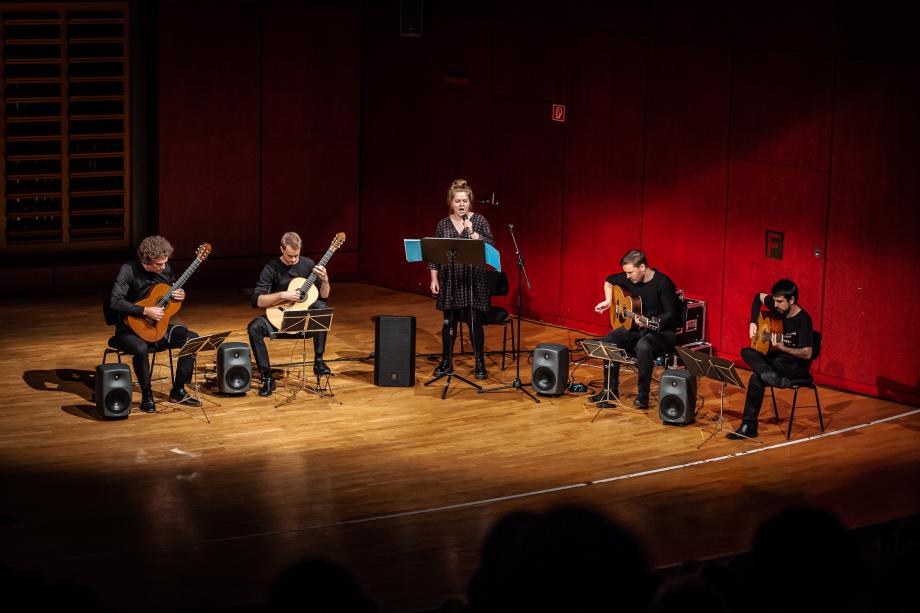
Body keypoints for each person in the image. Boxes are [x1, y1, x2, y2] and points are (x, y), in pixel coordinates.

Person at [108, 235, 201, 413]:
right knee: (141, 349)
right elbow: (114, 301)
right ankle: (147, 395)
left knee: (192, 338)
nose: (164, 267)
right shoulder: (128, 270)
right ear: (146, 261)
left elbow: (170, 294)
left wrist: (181, 295)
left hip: (159, 328)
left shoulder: (165, 270)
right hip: (130, 330)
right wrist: (144, 311)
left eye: (165, 262)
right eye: (159, 264)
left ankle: (179, 390)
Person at [593, 249, 679, 409]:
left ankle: (643, 396)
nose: (627, 277)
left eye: (630, 272)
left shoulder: (663, 283)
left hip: (661, 331)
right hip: (636, 328)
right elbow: (609, 280)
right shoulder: (630, 279)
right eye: (626, 273)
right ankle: (609, 390)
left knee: (643, 346)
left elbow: (671, 313)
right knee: (609, 341)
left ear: (642, 267)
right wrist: (608, 300)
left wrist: (652, 322)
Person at [728, 279, 814, 440]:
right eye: (774, 300)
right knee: (746, 351)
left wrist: (783, 348)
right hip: (774, 363)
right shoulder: (777, 307)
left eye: (780, 301)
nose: (775, 305)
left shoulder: (803, 320)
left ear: (792, 300)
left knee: (756, 377)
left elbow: (807, 353)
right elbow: (757, 297)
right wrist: (753, 322)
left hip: (793, 367)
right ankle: (769, 375)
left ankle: (748, 427)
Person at [248, 231, 331, 397]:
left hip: (302, 320)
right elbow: (256, 301)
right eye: (289, 255)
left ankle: (319, 361)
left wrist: (326, 280)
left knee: (322, 307)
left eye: (296, 255)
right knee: (254, 327)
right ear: (281, 249)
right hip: (281, 316)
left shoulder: (308, 265)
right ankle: (267, 376)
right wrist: (282, 295)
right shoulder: (271, 268)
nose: (293, 260)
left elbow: (325, 295)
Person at [429, 178, 495, 380]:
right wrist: (434, 279)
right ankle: (446, 360)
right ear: (451, 202)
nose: (461, 204)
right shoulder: (442, 224)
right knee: (449, 322)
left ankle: (480, 363)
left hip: (473, 281)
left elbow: (490, 246)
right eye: (457, 201)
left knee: (474, 322)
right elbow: (434, 255)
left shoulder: (480, 221)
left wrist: (473, 233)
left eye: (465, 201)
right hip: (451, 281)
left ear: (469, 202)